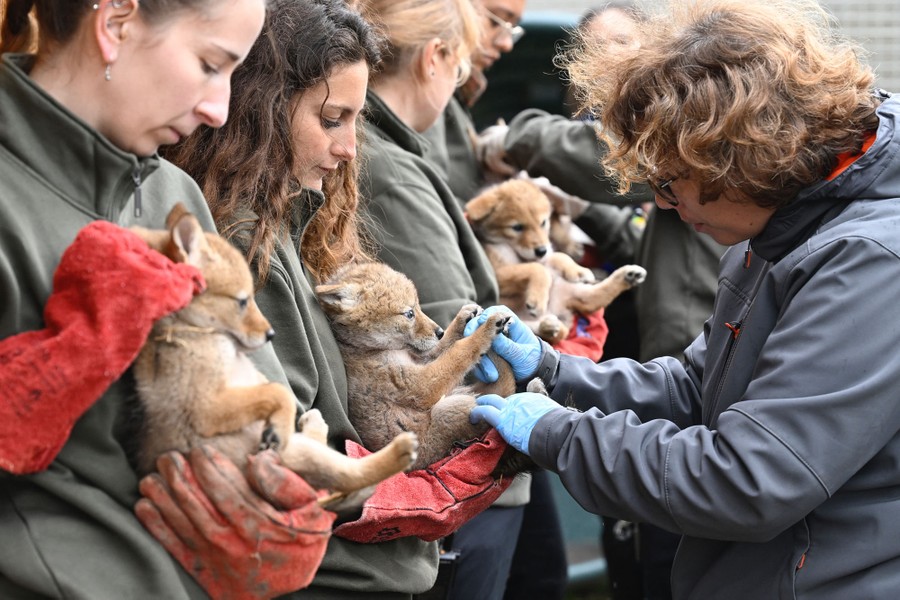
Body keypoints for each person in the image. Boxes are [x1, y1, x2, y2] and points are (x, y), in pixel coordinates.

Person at [468, 0, 900, 597]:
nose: (664, 205)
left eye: (669, 183)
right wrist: (555, 371)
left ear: (738, 158)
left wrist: (562, 435)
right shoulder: (779, 228)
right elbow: (699, 388)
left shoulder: (870, 261)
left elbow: (749, 480)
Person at [164, 0, 511, 597]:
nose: (352, 146)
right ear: (263, 111)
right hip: (326, 575)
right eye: (331, 119)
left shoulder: (295, 227)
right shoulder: (250, 247)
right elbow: (291, 451)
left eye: (356, 120)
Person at [0, 0, 342, 598]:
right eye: (212, 64)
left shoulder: (170, 190)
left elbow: (257, 401)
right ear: (115, 23)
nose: (220, 110)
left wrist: (273, 504)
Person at [351, 2, 537, 599]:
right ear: (435, 58)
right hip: (451, 467)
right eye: (459, 71)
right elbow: (452, 323)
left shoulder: (399, 155)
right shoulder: (393, 168)